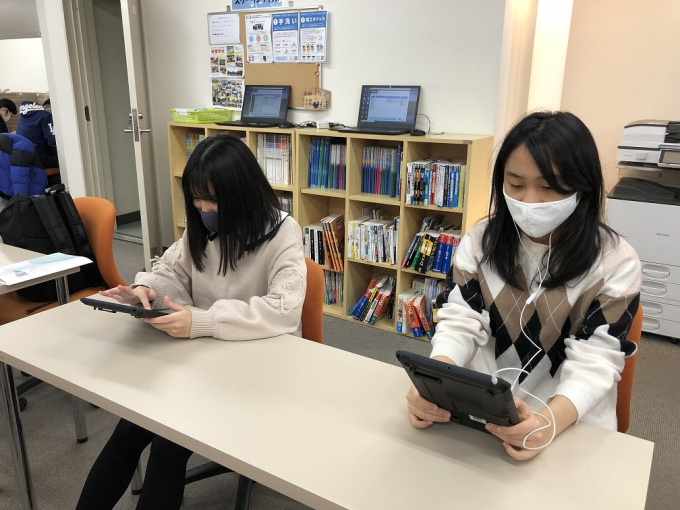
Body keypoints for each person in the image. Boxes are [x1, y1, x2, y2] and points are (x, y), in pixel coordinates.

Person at [76, 134, 307, 510]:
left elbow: (283, 310)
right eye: (196, 198)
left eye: (211, 199)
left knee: (168, 443)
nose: (202, 208)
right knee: (129, 428)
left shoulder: (283, 233)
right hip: (203, 357)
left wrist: (203, 321)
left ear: (241, 193)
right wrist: (146, 289)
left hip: (258, 367)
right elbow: (173, 272)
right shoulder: (202, 226)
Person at [405, 111, 641, 461]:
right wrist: (433, 383)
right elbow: (460, 321)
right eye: (515, 185)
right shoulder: (480, 241)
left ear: (583, 186)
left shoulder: (616, 262)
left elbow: (595, 363)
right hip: (482, 413)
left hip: (570, 421)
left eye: (549, 187)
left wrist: (547, 424)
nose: (529, 201)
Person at [0, 132, 47, 207]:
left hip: (25, 194)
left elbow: (19, 176)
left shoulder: (20, 144)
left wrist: (20, 202)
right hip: (16, 195)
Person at [16, 98, 59, 168]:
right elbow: (53, 140)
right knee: (69, 157)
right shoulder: (46, 116)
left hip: (24, 158)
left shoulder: (23, 116)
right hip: (39, 159)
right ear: (51, 109)